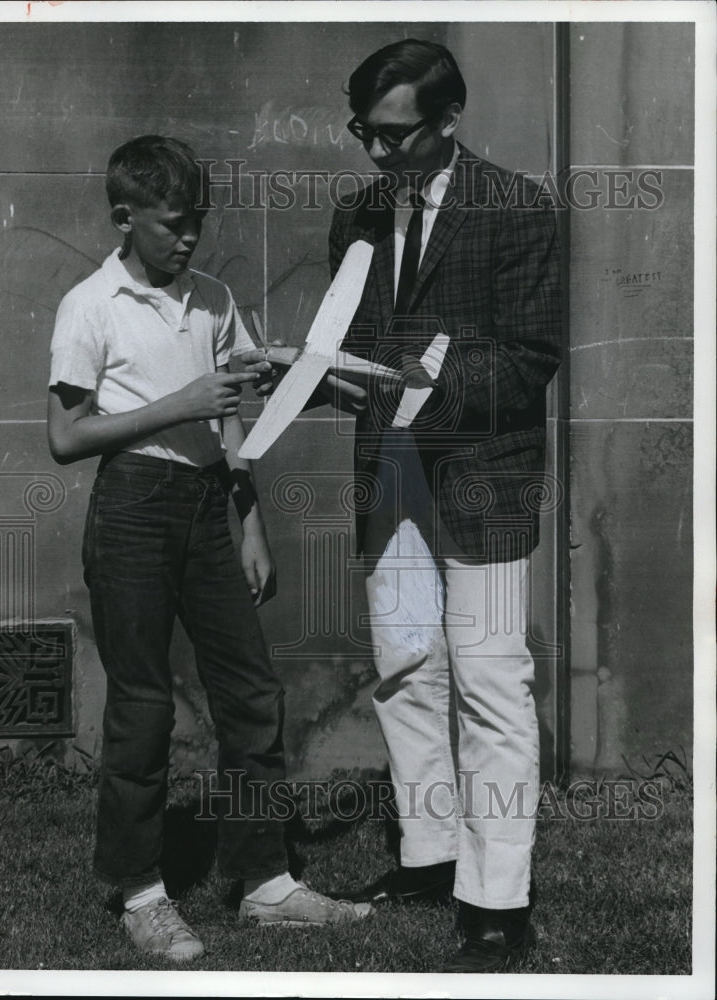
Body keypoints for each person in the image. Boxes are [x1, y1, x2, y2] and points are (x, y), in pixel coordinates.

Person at [46, 135, 370, 964]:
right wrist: (178, 401)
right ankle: (140, 891)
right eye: (171, 224)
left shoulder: (216, 298)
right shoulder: (91, 304)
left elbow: (231, 420)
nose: (187, 238)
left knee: (254, 694)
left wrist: (249, 519)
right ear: (125, 218)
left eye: (197, 222)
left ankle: (264, 882)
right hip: (131, 506)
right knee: (144, 704)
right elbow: (66, 437)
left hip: (204, 509)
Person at [319, 40, 562, 971]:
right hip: (392, 474)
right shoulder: (359, 216)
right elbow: (345, 339)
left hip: (484, 479)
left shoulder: (521, 209)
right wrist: (320, 376)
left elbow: (528, 360)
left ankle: (498, 901)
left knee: (494, 681)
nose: (377, 156)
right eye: (365, 136)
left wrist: (413, 383)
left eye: (395, 136)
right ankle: (430, 854)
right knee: (403, 666)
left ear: (448, 119)